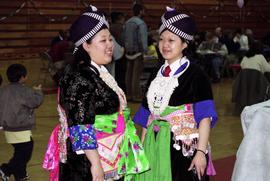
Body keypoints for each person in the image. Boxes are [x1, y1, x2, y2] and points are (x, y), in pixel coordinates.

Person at [48, 5, 149, 181]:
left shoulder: (97, 71)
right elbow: (80, 125)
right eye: (103, 41)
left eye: (110, 39)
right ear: (86, 45)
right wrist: (95, 165)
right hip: (90, 162)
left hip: (109, 156)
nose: (110, 45)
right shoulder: (79, 76)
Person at [133, 7, 218, 181]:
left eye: (171, 40)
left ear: (185, 43)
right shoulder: (156, 73)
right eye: (162, 39)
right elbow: (146, 117)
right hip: (153, 144)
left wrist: (201, 152)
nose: (164, 45)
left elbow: (204, 117)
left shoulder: (196, 74)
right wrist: (141, 150)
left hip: (182, 149)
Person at [0, 64, 44, 181]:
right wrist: (38, 92)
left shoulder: (3, 90)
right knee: (24, 153)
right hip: (20, 127)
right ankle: (6, 169)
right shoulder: (25, 91)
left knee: (20, 152)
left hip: (7, 127)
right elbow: (35, 102)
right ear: (23, 77)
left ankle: (21, 176)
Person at [123, 3, 148, 101]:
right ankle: (136, 96)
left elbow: (123, 37)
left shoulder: (127, 22)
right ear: (141, 11)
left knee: (128, 74)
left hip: (128, 52)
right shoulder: (140, 23)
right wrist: (145, 52)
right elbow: (142, 39)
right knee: (136, 75)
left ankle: (128, 95)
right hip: (138, 52)